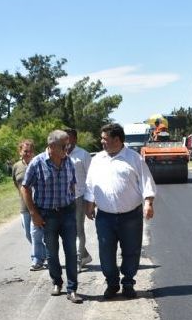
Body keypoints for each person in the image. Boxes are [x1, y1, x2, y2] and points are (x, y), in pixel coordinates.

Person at [84, 123, 156, 299]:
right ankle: (112, 283)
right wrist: (89, 204)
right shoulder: (97, 160)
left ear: (117, 140)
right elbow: (90, 184)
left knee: (131, 251)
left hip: (131, 216)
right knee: (106, 253)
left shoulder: (134, 158)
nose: (102, 142)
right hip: (105, 217)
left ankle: (128, 282)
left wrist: (148, 203)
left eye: (104, 139)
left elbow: (147, 183)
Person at [21, 130, 82, 304]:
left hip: (67, 213)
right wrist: (33, 213)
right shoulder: (37, 163)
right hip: (47, 215)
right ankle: (57, 282)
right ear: (52, 146)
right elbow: (25, 188)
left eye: (68, 144)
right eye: (65, 145)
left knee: (71, 251)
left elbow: (72, 184)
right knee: (52, 252)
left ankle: (72, 289)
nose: (68, 148)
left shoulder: (68, 161)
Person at [11, 139, 48, 271]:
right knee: (28, 234)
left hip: (38, 205)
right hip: (24, 206)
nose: (28, 153)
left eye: (30, 151)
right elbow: (17, 183)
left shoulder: (38, 164)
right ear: (20, 151)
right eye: (25, 151)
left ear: (34, 152)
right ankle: (47, 256)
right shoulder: (16, 166)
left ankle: (37, 260)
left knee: (36, 234)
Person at [65, 128, 93, 270]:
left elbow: (91, 179)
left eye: (69, 138)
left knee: (78, 229)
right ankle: (85, 255)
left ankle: (77, 260)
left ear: (75, 139)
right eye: (64, 138)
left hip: (79, 197)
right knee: (66, 231)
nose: (67, 141)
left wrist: (90, 202)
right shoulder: (58, 154)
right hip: (62, 199)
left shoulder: (83, 155)